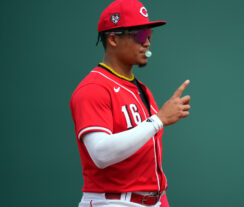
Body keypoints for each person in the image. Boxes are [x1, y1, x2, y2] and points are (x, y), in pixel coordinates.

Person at [69, 0, 191, 206]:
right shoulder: (93, 88)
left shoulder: (142, 90)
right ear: (114, 39)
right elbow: (100, 153)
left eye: (149, 35)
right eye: (140, 35)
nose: (147, 42)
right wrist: (158, 120)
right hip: (112, 201)